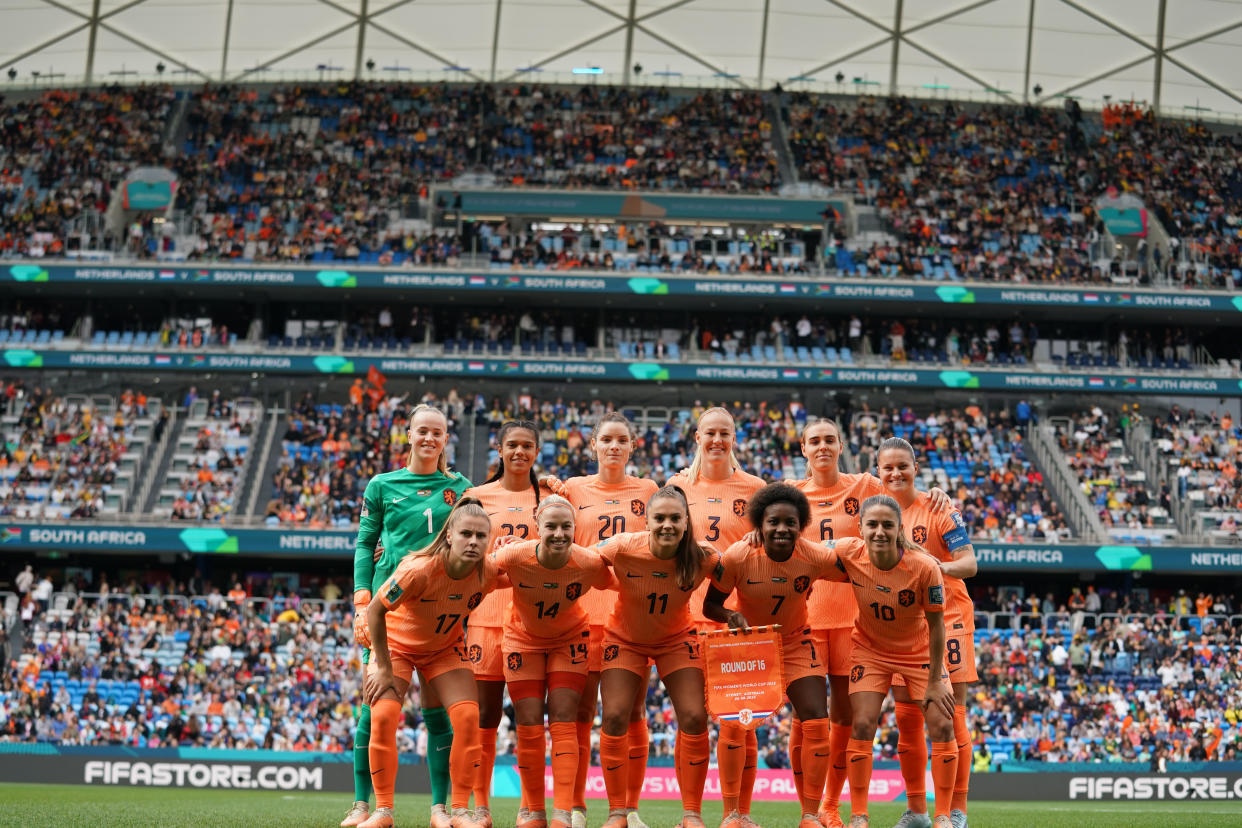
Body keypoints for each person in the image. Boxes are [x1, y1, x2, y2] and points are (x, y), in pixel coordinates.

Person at [345, 405, 473, 828]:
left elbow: (480, 534)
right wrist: (363, 597)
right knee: (373, 711)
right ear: (408, 434)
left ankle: (440, 809)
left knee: (438, 715)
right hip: (390, 611)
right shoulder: (382, 484)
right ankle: (365, 806)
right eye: (422, 431)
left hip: (441, 616)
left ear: (445, 438)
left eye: (437, 432)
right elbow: (366, 543)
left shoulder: (461, 487)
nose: (429, 439)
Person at [703, 483, 849, 828]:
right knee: (735, 725)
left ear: (801, 526)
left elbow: (854, 570)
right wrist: (729, 617)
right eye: (773, 522)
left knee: (816, 718)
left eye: (790, 522)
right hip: (750, 647)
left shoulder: (814, 555)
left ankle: (810, 815)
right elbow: (711, 605)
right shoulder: (739, 555)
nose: (782, 529)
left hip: (797, 644)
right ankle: (732, 816)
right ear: (760, 525)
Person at [545, 413, 658, 828]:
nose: (614, 446)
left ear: (632, 446)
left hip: (631, 616)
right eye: (606, 439)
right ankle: (575, 806)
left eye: (621, 440)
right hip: (579, 613)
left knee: (631, 713)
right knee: (579, 713)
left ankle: (629, 808)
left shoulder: (648, 490)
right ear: (593, 444)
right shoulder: (572, 488)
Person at [362, 497, 502, 828]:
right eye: (466, 533)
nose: (473, 542)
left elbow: (525, 567)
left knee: (469, 718)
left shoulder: (489, 571)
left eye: (481, 536)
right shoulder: (418, 569)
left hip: (444, 649)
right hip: (397, 647)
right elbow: (375, 610)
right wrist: (381, 665)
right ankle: (383, 812)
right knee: (382, 717)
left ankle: (458, 812)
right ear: (449, 535)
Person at [595, 486, 720, 828]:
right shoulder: (623, 546)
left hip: (677, 640)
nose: (667, 525)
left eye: (675, 518)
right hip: (624, 639)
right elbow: (582, 559)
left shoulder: (704, 556)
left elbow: (736, 569)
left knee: (695, 718)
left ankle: (692, 815)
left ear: (686, 521)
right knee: (616, 717)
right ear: (646, 521)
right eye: (660, 518)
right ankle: (617, 813)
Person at [493, 496, 617, 828]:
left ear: (576, 529)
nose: (559, 533)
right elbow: (478, 572)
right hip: (523, 639)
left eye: (566, 527)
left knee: (565, 719)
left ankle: (562, 812)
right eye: (551, 526)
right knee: (529, 722)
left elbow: (621, 581)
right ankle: (533, 811)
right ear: (537, 527)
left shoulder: (588, 561)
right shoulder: (514, 554)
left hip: (569, 640)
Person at [666, 406, 765, 822]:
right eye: (710, 433)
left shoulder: (757, 488)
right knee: (692, 719)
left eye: (725, 433)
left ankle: (736, 815)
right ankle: (691, 813)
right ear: (697, 438)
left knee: (741, 721)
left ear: (735, 438)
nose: (717, 440)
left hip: (737, 619)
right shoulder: (676, 486)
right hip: (685, 618)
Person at [834, 495, 956, 828]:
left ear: (900, 528)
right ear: (860, 528)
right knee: (862, 724)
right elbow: (807, 552)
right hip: (870, 651)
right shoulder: (848, 552)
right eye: (871, 524)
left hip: (918, 655)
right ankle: (859, 815)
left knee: (944, 725)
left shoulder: (924, 567)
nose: (879, 531)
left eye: (887, 525)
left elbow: (937, 626)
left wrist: (934, 680)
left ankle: (943, 816)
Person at [874, 438, 977, 828]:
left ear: (916, 468)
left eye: (904, 465)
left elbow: (969, 563)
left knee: (953, 716)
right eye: (888, 468)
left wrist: (937, 568)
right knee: (907, 720)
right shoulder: (875, 510)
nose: (896, 473)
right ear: (878, 472)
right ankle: (916, 811)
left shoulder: (939, 509)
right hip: (902, 626)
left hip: (948, 618)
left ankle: (955, 812)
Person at [465, 420, 544, 826]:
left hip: (532, 621)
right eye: (512, 445)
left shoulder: (549, 495)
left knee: (531, 717)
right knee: (485, 717)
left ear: (536, 451)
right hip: (484, 616)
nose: (519, 452)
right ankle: (481, 807)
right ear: (499, 450)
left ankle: (530, 806)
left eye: (527, 445)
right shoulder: (475, 497)